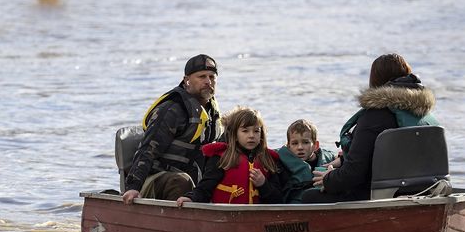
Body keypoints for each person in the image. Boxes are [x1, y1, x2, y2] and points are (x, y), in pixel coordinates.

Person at [301, 53, 439, 204]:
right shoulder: (426, 117)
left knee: (308, 196)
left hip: (378, 196)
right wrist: (342, 160)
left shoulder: (373, 117)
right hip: (425, 190)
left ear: (375, 81)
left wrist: (328, 179)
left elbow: (354, 174)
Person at [122, 54, 222, 204]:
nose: (208, 82)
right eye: (201, 77)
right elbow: (147, 150)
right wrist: (133, 187)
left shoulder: (212, 113)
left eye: (212, 77)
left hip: (194, 184)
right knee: (181, 180)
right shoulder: (172, 110)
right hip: (156, 179)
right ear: (186, 80)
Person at [176, 106, 283, 206]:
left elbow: (278, 200)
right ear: (234, 135)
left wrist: (263, 184)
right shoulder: (221, 158)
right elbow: (205, 188)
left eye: (256, 131)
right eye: (245, 131)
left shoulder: (269, 161)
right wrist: (191, 198)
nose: (251, 135)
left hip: (257, 218)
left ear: (261, 135)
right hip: (226, 216)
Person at [277, 119, 338, 203]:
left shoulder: (328, 158)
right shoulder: (280, 158)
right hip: (295, 205)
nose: (300, 147)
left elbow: (343, 158)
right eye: (295, 143)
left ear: (315, 146)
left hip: (322, 202)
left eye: (305, 142)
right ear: (288, 147)